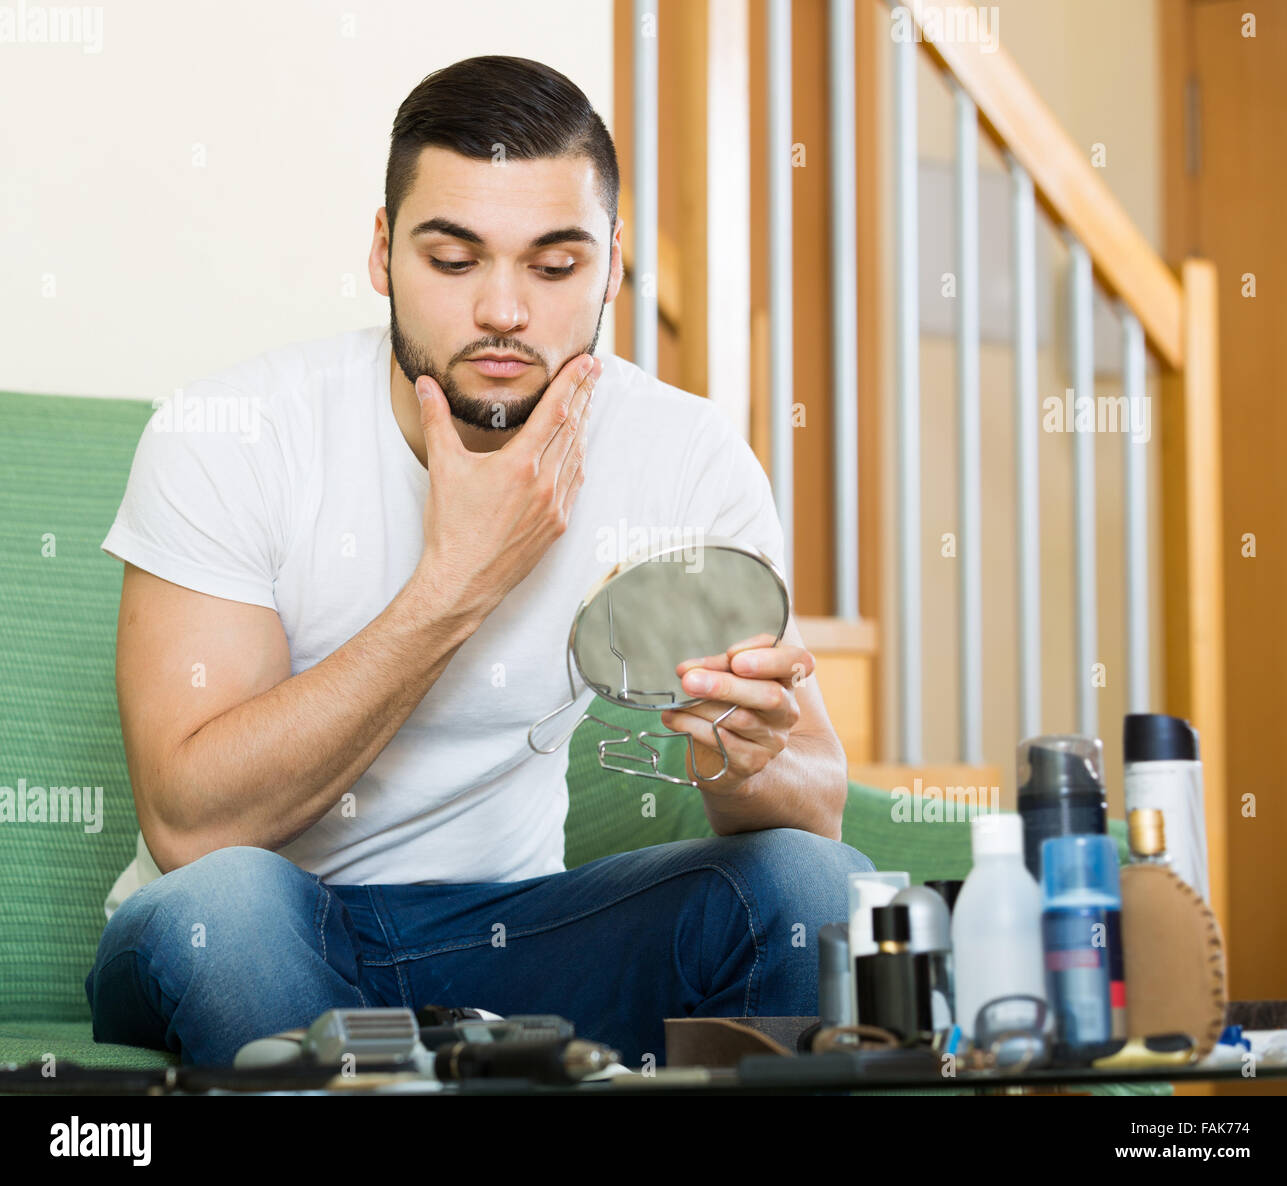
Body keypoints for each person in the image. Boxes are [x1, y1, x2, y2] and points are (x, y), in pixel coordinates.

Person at [84, 55, 874, 1070]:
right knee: (225, 908)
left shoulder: (683, 453)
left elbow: (812, 816)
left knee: (813, 890)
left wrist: (744, 758)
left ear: (614, 264)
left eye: (553, 267)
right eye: (454, 261)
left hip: (515, 937)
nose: (503, 311)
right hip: (253, 928)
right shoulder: (232, 434)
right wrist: (457, 583)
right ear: (382, 253)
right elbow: (193, 825)